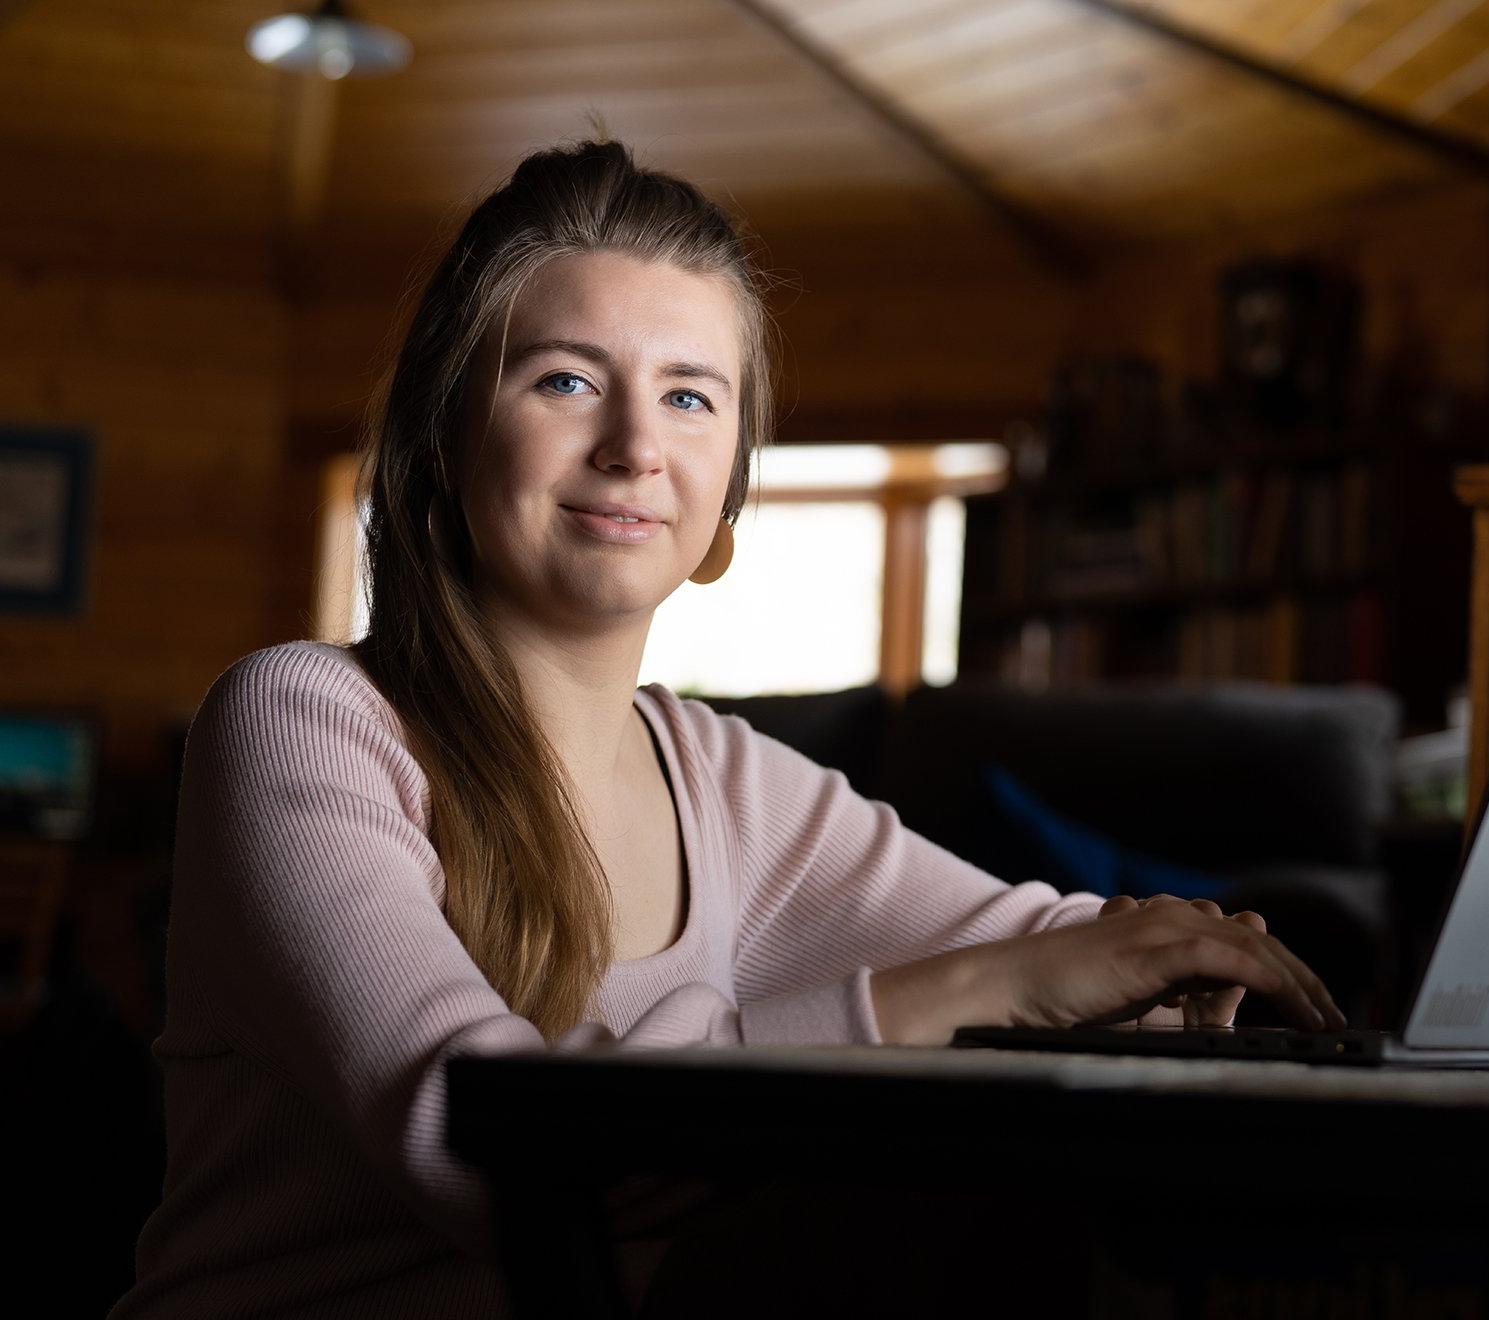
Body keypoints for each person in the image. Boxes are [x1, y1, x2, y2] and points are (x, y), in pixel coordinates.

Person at [109, 139, 1343, 1319]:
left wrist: (1204, 972)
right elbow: (478, 1140)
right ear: (443, 439)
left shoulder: (727, 784)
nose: (636, 446)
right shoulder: (303, 721)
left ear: (727, 495)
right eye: (566, 380)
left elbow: (1075, 957)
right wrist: (968, 993)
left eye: (690, 397)